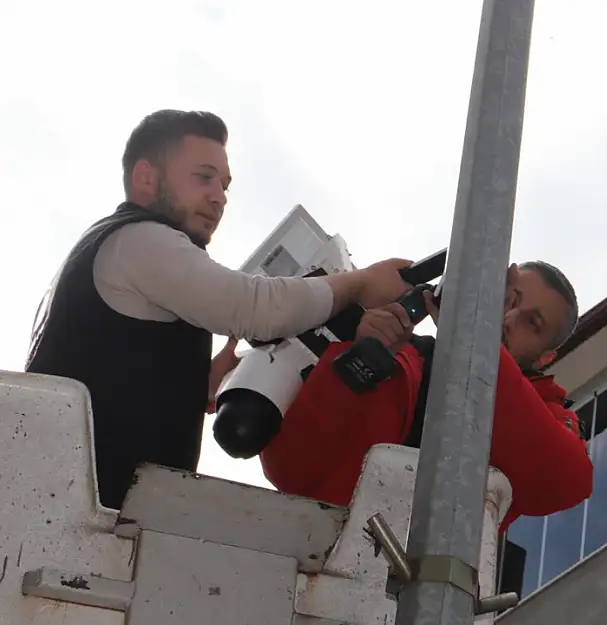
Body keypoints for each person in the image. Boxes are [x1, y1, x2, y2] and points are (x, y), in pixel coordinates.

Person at [25, 109, 415, 510]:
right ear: (146, 178)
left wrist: (202, 382)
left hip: (69, 509)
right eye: (203, 177)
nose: (219, 197)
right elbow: (257, 308)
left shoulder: (110, 249)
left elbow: (111, 368)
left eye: (225, 185)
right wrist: (361, 282)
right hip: (78, 513)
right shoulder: (140, 240)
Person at [260, 262, 594, 533]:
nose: (507, 318)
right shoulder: (398, 358)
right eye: (509, 299)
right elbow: (287, 469)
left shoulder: (546, 414)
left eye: (530, 323)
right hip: (314, 569)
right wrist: (358, 362)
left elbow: (566, 483)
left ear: (544, 358)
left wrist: (481, 347)